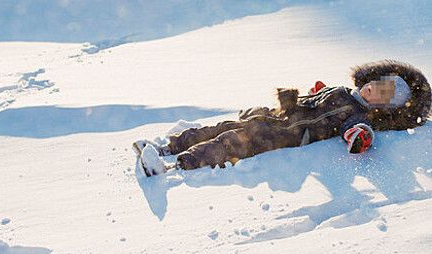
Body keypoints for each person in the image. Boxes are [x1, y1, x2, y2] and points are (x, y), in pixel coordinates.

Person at [133, 60, 431, 176]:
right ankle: (167, 147)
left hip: (284, 135)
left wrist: (359, 138)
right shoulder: (343, 91)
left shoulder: (357, 115)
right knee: (222, 126)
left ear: (383, 108)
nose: (372, 90)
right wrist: (313, 92)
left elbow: (355, 131)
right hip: (275, 117)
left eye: (381, 95)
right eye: (376, 84)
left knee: (230, 141)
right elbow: (318, 99)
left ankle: (174, 166)